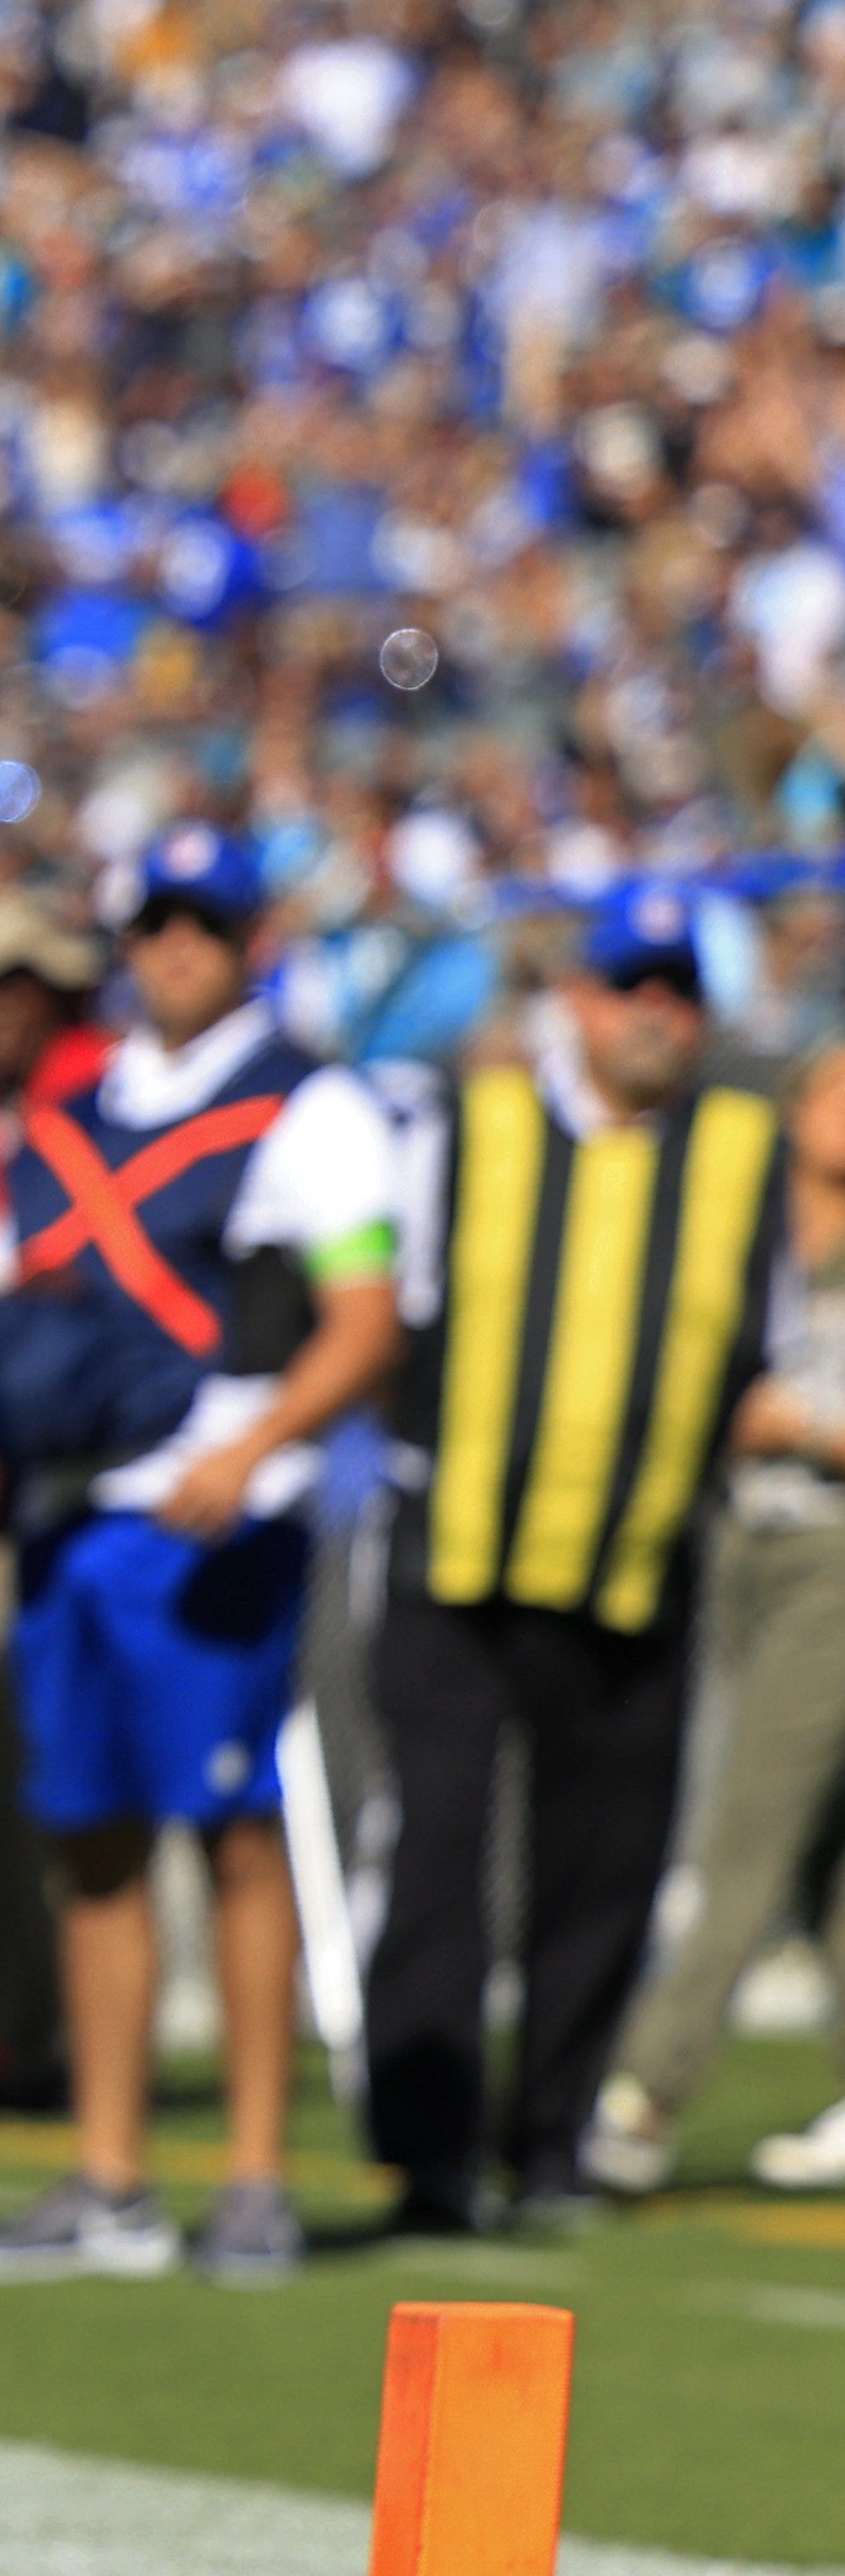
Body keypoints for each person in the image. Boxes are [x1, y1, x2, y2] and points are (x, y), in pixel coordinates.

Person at [0, 819, 404, 2287]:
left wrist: (253, 1454)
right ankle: (112, 2174)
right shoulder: (77, 1109)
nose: (178, 949)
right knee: (87, 1843)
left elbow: (368, 1319)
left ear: (249, 939)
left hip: (211, 1524)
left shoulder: (309, 1108)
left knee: (237, 1834)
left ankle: (257, 2172)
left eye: (205, 923)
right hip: (69, 1513)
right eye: (156, 926)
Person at [362, 888, 783, 2233]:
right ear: (578, 1001)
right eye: (631, 985)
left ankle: (549, 2143)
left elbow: (759, 1356)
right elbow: (391, 1315)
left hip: (634, 1567)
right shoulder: (466, 1128)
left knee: (603, 1871)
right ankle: (428, 2151)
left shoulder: (741, 1154)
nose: (656, 1013)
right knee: (436, 1859)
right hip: (458, 1560)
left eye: (679, 990)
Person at [596, 1038, 845, 2194]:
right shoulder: (737, 1221)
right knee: (823, 1849)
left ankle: (644, 2093)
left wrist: (805, 1429)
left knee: (751, 1820)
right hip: (720, 1538)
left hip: (831, 1553)